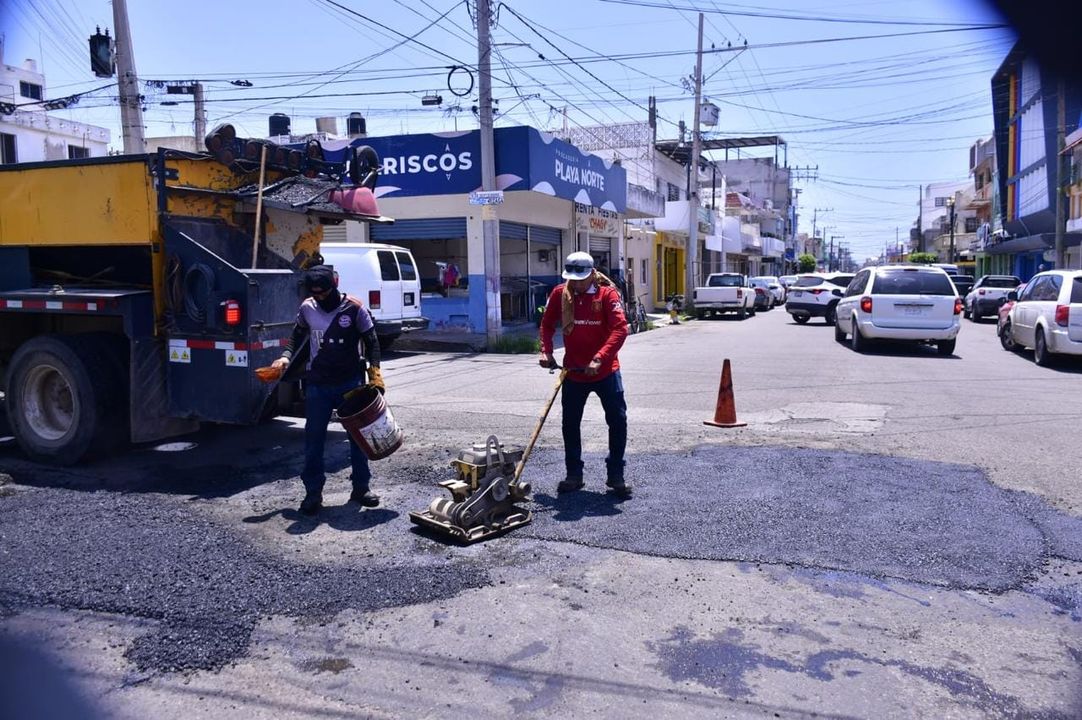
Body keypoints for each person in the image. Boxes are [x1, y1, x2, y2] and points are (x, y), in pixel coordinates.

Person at [271, 265, 385, 516]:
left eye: (324, 293)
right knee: (313, 441)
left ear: (334, 285)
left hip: (350, 385)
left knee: (358, 439)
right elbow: (296, 336)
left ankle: (361, 488)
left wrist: (374, 372)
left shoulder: (354, 307)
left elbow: (371, 342)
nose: (320, 298)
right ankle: (313, 493)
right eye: (316, 293)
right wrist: (285, 357)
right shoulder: (307, 308)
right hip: (318, 385)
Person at [539, 251, 631, 499]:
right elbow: (547, 325)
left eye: (581, 279)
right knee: (569, 424)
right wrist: (546, 352)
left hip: (605, 371)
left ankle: (616, 474)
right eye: (572, 279)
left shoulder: (607, 294)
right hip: (573, 371)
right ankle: (574, 475)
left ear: (592, 274)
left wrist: (600, 357)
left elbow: (620, 329)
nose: (576, 284)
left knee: (617, 420)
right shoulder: (561, 293)